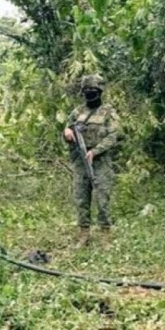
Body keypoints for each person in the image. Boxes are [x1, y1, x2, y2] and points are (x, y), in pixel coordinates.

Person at [62, 74, 121, 248]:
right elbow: (67, 129)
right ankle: (83, 235)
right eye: (86, 90)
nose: (89, 93)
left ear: (100, 91)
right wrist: (66, 133)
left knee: (102, 198)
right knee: (81, 197)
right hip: (80, 160)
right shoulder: (77, 112)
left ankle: (105, 235)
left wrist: (95, 151)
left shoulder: (109, 112)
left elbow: (115, 135)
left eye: (93, 90)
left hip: (100, 161)